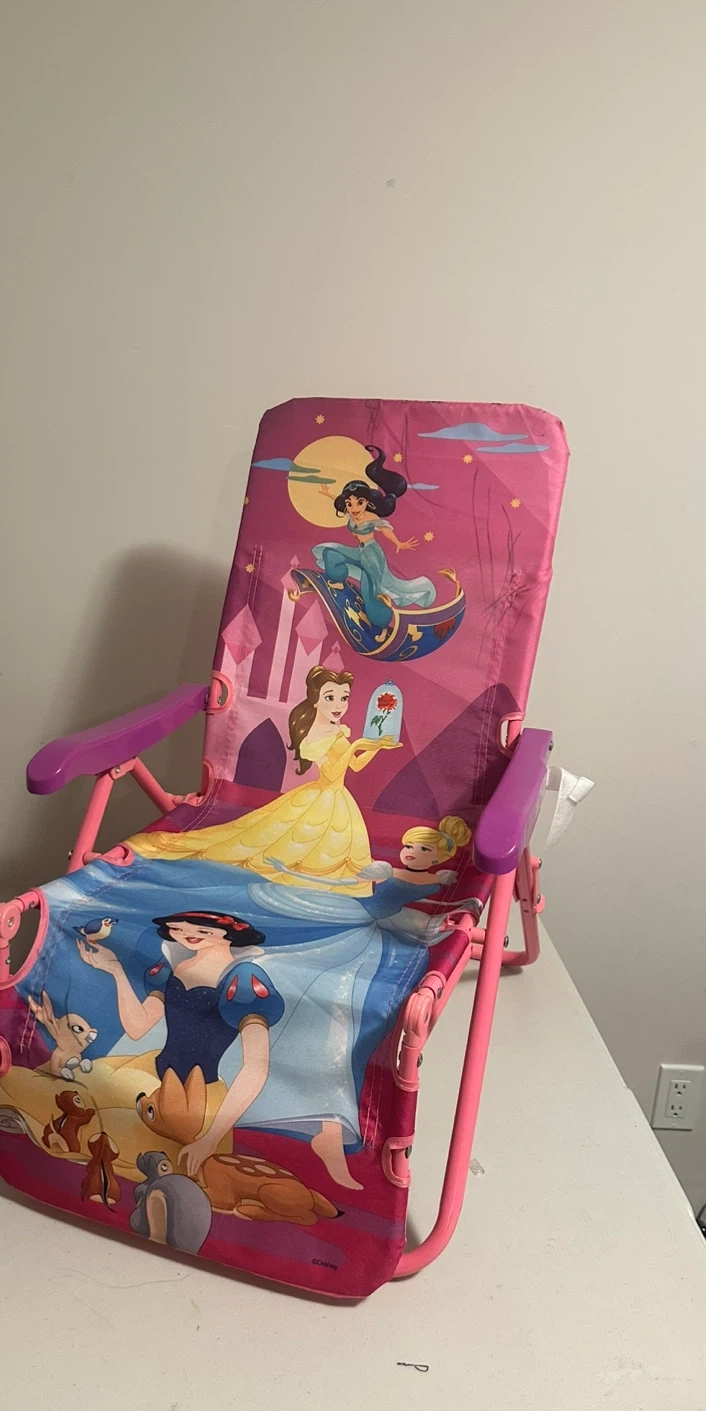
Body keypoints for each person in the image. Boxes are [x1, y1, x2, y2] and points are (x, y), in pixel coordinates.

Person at [128, 667, 399, 896]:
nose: (339, 705)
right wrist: (357, 746)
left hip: (339, 800)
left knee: (334, 853)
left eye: (344, 698)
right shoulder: (314, 735)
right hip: (323, 797)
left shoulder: (337, 730)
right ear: (316, 700)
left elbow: (353, 766)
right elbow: (331, 773)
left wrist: (375, 748)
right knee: (276, 846)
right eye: (331, 697)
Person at [77, 910, 282, 1177]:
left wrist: (211, 1138)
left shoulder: (243, 978)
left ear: (230, 933)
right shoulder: (173, 964)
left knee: (171, 1173)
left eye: (202, 930)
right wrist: (116, 970)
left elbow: (256, 1067)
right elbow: (138, 1027)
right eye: (179, 928)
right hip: (149, 1075)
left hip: (200, 1095)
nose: (189, 935)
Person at [312, 446, 436, 633]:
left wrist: (398, 543)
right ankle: (337, 579)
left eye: (359, 502)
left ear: (367, 502)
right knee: (331, 553)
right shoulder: (351, 512)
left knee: (371, 590)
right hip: (359, 551)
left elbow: (385, 529)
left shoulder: (371, 517)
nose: (354, 507)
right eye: (349, 503)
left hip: (371, 554)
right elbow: (341, 500)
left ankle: (381, 624)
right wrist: (327, 494)